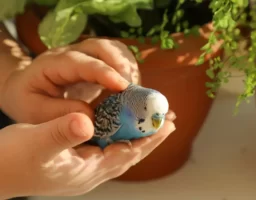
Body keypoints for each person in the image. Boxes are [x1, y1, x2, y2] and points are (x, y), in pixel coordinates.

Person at [0, 23, 176, 199]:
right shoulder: (116, 114)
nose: (156, 121)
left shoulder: (146, 115)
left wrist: (11, 78)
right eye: (149, 111)